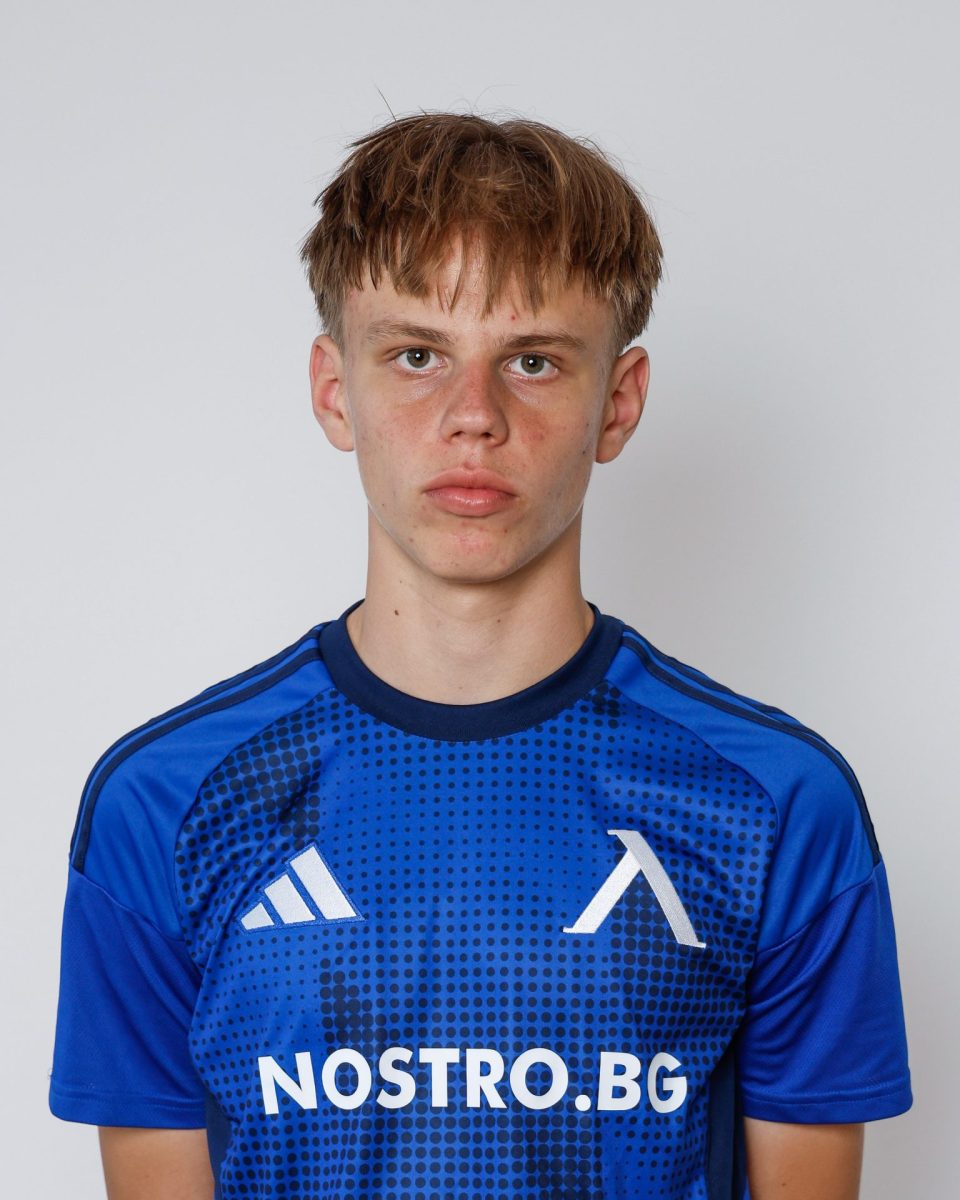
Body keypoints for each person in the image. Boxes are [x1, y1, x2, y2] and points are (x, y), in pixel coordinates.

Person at [48, 112, 912, 1200]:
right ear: (334, 390)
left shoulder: (776, 803)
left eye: (534, 361)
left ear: (618, 403)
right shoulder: (167, 802)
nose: (474, 417)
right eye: (417, 356)